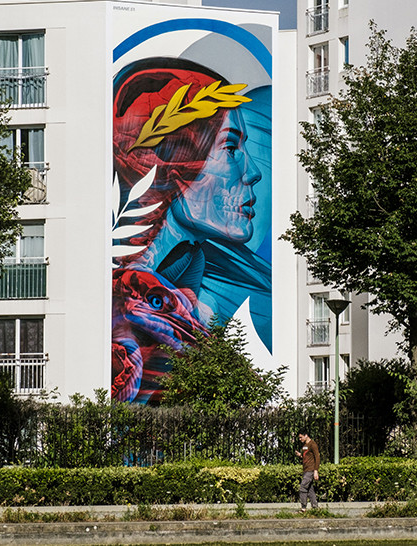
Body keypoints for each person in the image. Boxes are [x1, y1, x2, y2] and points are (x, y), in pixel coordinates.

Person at [110, 58, 268, 404]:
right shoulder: (126, 296)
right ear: (172, 162)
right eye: (230, 147)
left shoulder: (186, 267)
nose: (253, 172)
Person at [295, 432, 320, 512]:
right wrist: (300, 455)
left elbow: (317, 457)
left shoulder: (313, 444)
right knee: (309, 489)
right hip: (305, 469)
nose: (300, 439)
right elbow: (306, 456)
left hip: (310, 470)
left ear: (306, 435)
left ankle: (303, 508)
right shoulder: (305, 445)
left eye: (301, 437)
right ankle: (315, 508)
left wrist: (316, 470)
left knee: (303, 487)